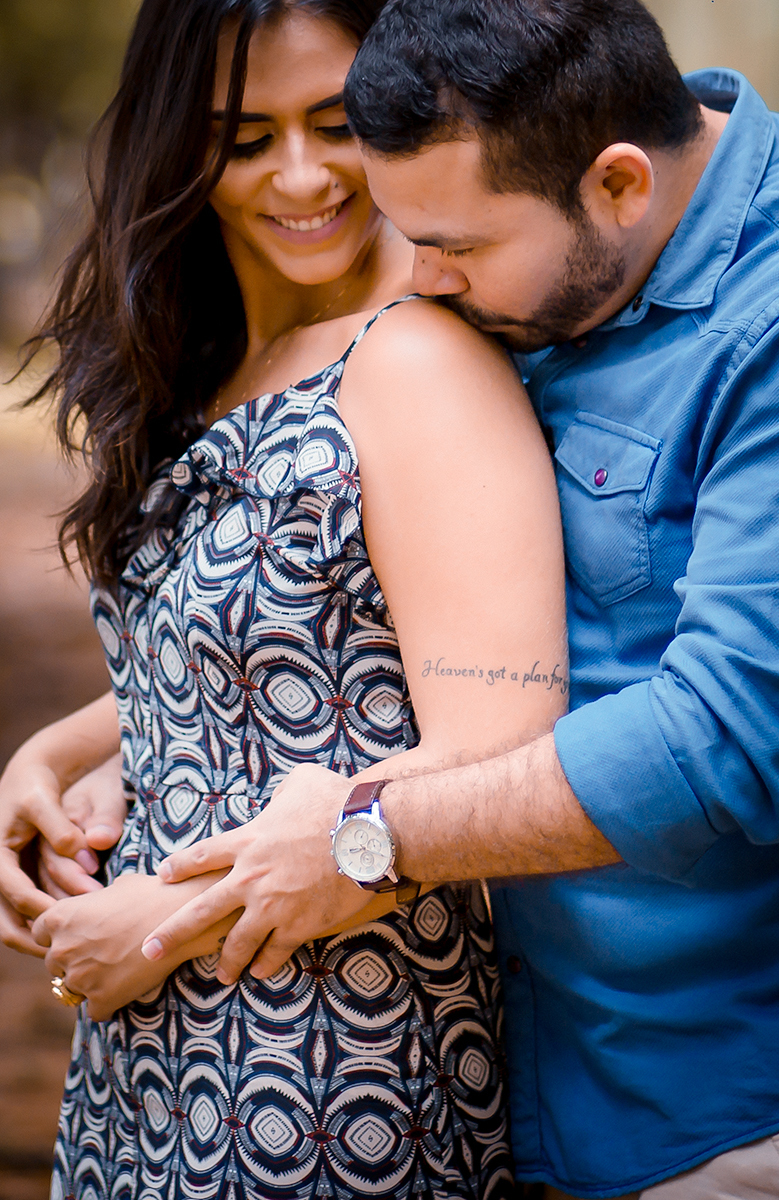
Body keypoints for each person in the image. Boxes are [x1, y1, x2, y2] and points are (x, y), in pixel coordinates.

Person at [99, 1, 779, 1198]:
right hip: (510, 1084)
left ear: (619, 187)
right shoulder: (540, 211)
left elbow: (727, 739)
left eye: (454, 249)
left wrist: (364, 835)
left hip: (722, 1115)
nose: (418, 283)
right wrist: (104, 743)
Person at [0, 0, 572, 1196]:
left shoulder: (415, 363)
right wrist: (50, 756)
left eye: (335, 124)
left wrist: (158, 923)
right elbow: (268, 656)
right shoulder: (220, 363)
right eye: (245, 137)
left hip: (330, 1056)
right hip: (155, 1043)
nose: (301, 176)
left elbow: (495, 752)